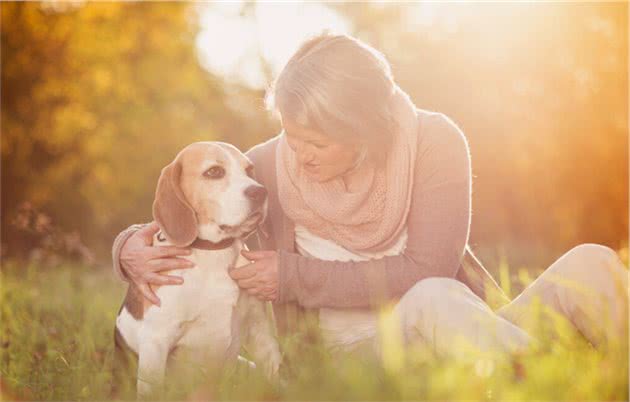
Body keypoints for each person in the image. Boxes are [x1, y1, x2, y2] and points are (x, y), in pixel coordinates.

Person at [112, 33, 628, 359]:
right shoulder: (268, 163)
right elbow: (192, 201)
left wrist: (292, 276)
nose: (300, 153)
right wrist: (127, 247)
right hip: (353, 356)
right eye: (292, 134)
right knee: (433, 298)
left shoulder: (433, 141)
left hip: (461, 324)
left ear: (366, 130)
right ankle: (559, 388)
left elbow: (427, 267)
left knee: (591, 262)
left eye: (317, 141)